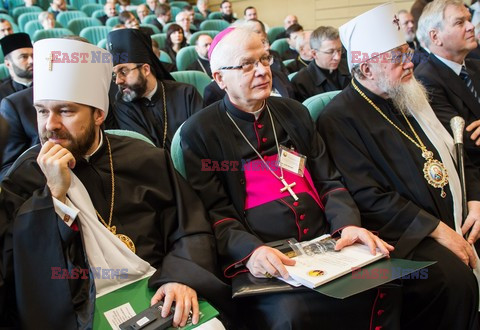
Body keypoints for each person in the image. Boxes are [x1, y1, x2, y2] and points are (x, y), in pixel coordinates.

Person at [0, 37, 231, 329]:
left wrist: (181, 277)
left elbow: (190, 228)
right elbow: (19, 272)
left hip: (157, 289)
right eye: (42, 111)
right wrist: (53, 198)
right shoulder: (22, 176)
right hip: (78, 309)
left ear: (99, 114)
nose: (50, 124)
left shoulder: (147, 159)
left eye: (66, 111)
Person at [181, 26, 394, 329]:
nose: (262, 71)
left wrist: (347, 224)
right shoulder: (199, 132)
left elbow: (329, 181)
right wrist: (251, 251)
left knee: (381, 283)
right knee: (292, 315)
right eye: (247, 65)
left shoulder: (294, 112)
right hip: (267, 258)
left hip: (327, 244)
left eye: (264, 60)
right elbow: (216, 213)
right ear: (220, 79)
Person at [317, 3, 480, 329]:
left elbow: (459, 153)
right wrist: (439, 231)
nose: (410, 63)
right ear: (365, 70)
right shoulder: (339, 118)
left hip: (456, 216)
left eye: (407, 53)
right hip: (403, 234)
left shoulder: (409, 93)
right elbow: (368, 195)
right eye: (397, 58)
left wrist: (474, 200)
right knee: (453, 280)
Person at [109, 28, 202, 149]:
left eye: (124, 71)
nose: (118, 81)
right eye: (115, 75)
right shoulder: (122, 105)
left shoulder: (186, 94)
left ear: (146, 70)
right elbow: (143, 151)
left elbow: (202, 137)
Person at [415, 0, 480, 169]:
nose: (471, 26)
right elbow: (465, 141)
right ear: (435, 37)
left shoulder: (476, 66)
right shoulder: (425, 80)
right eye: (460, 22)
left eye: (468, 19)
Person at [292, 26, 350, 102]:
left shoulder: (349, 66)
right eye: (330, 52)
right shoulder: (300, 82)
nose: (337, 57)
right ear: (314, 53)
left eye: (339, 50)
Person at [0, 33, 33, 103]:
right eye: (24, 57)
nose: (31, 61)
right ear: (8, 64)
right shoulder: (1, 93)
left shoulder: (48, 82)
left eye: (33, 55)